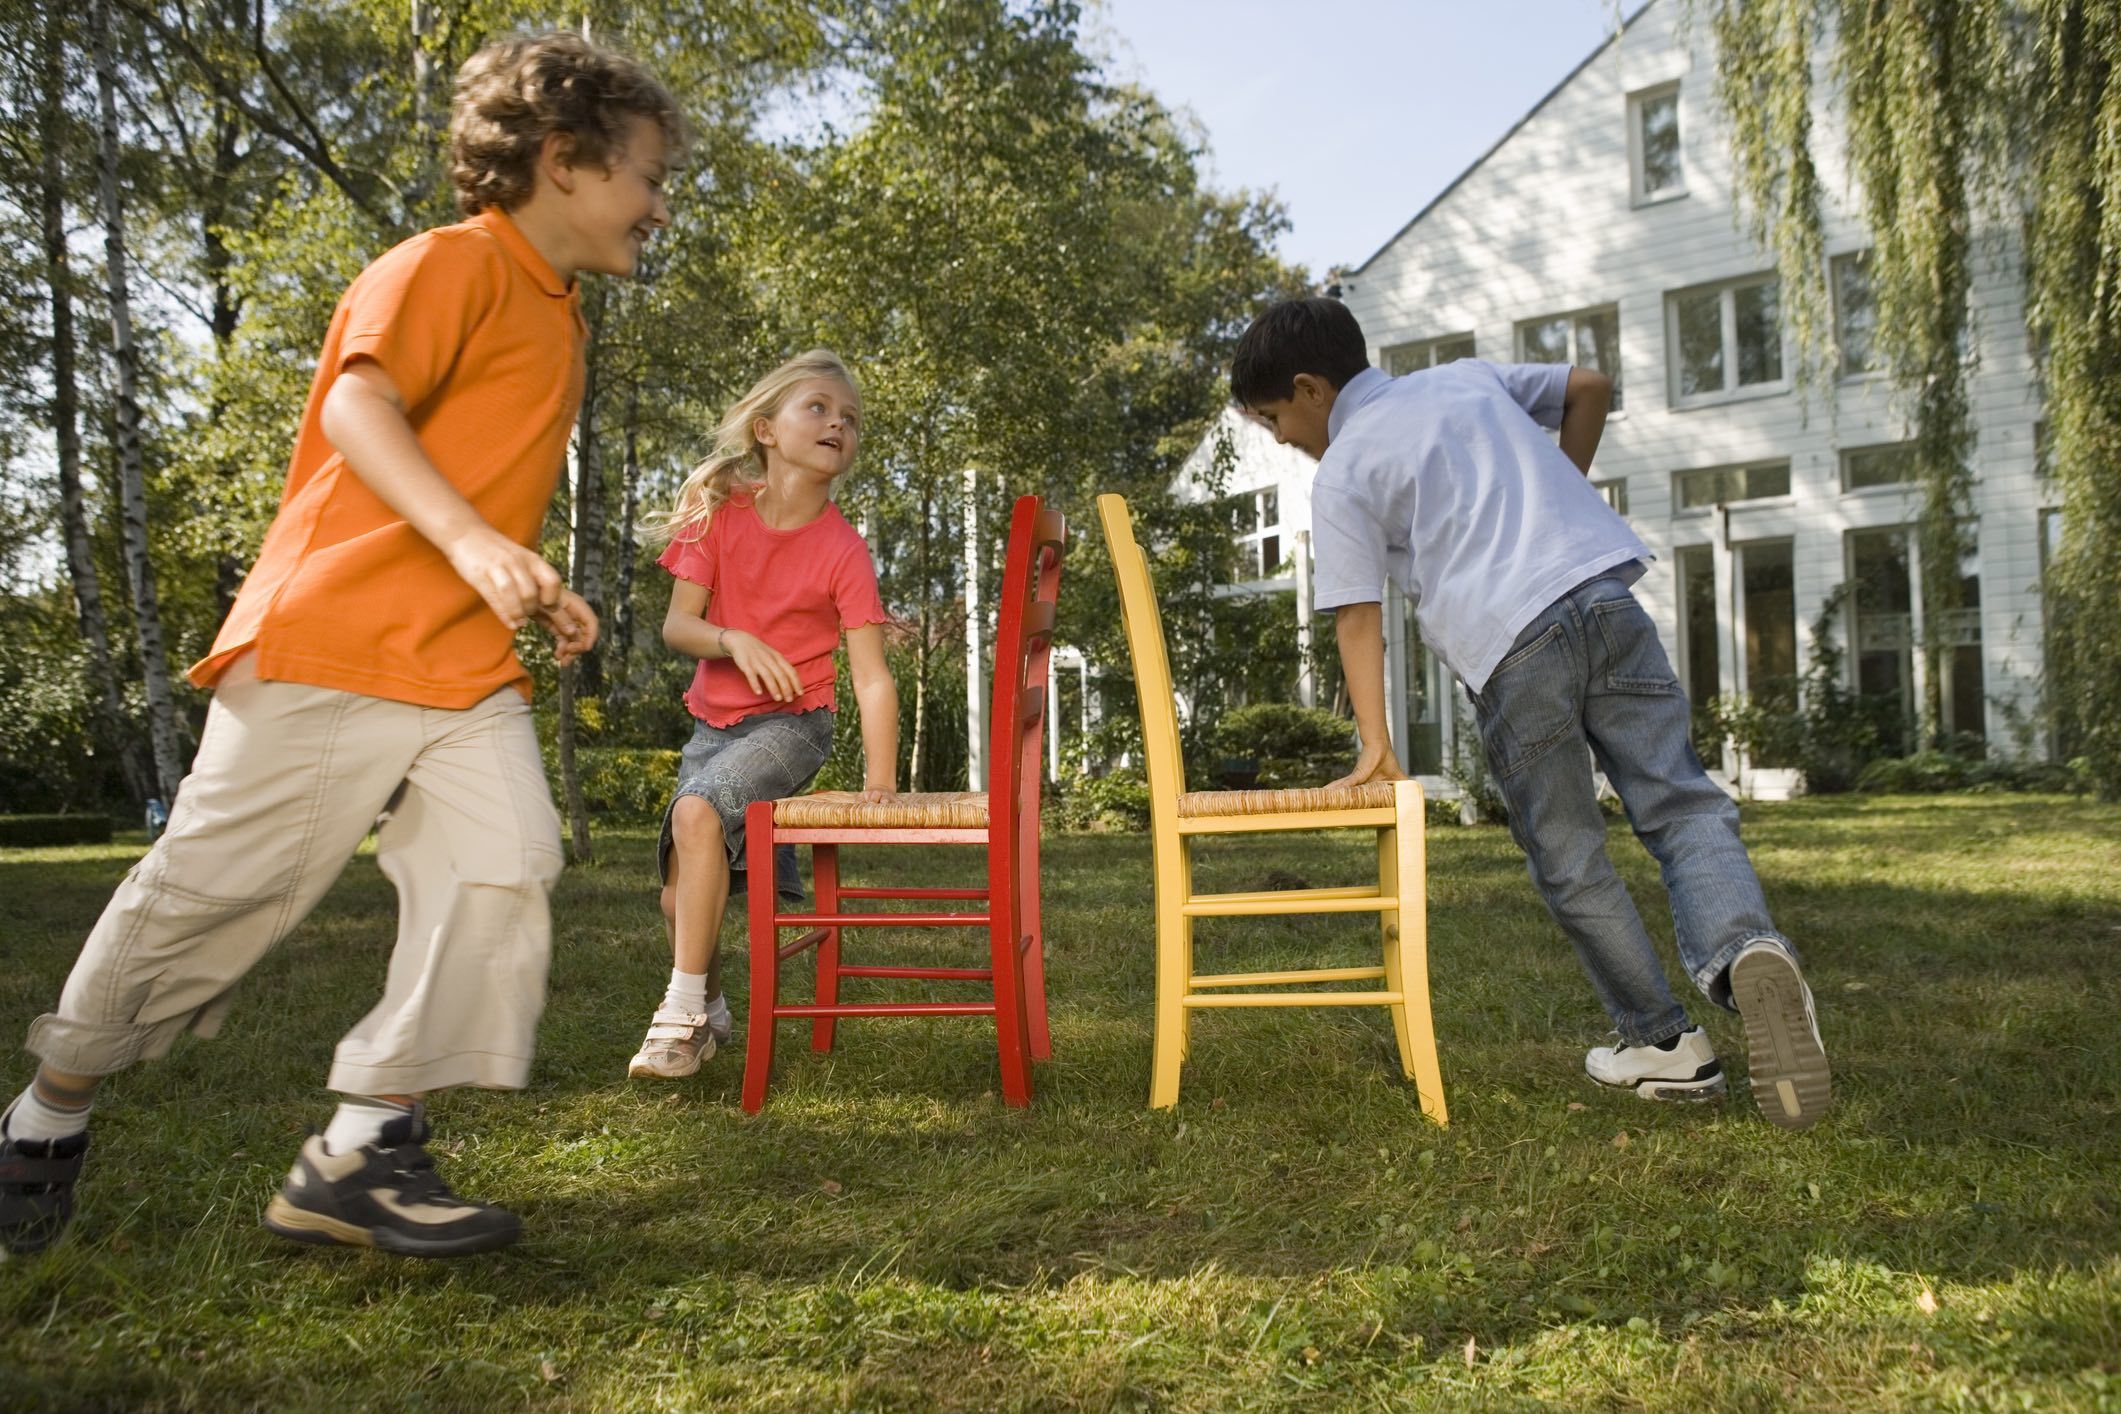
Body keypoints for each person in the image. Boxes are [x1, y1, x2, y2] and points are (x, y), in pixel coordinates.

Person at [0, 32, 685, 1258]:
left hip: (465, 662)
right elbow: (355, 406)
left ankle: (362, 1147)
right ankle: (47, 1114)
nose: (659, 203)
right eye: (647, 173)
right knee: (211, 900)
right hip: (332, 645)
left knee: (508, 861)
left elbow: (475, 471)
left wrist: (520, 578)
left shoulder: (562, 316)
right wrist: (476, 545)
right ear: (564, 162)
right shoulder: (448, 264)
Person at [1230, 297, 1831, 1130]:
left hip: (1513, 644)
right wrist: (1562, 488)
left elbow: (1355, 612)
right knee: (1682, 803)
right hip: (1604, 597)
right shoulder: (1467, 380)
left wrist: (1375, 741)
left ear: (1309, 387)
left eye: (1272, 418)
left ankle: (1663, 1043)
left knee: (1569, 854)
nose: (1280, 438)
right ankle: (1747, 951)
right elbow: (1589, 385)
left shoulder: (1345, 468)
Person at [626, 350, 898, 1080]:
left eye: (849, 419)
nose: (837, 424)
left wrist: (880, 783)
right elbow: (679, 626)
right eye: (818, 408)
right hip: (712, 727)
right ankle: (709, 1010)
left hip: (794, 727)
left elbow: (870, 678)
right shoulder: (720, 517)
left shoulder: (843, 549)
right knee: (674, 898)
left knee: (695, 816)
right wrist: (732, 638)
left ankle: (678, 1014)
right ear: (766, 429)